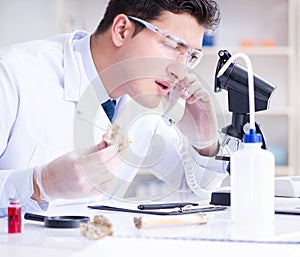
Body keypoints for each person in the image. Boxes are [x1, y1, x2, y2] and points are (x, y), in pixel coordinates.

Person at [0, 0, 228, 216]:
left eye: (191, 56)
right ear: (121, 30)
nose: (180, 71)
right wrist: (39, 183)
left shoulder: (142, 99)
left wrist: (205, 139)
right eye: (171, 45)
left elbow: (194, 190)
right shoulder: (12, 74)